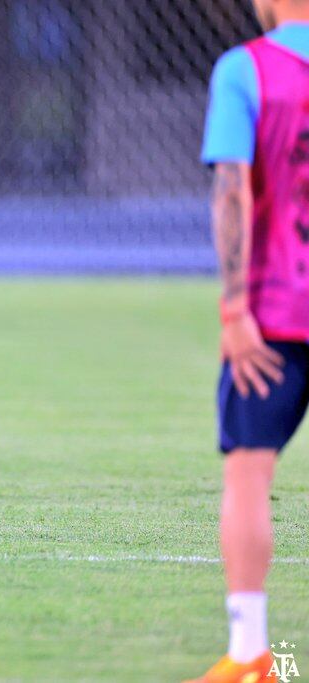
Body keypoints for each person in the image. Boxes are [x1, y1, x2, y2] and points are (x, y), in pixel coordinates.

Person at [188, 1, 309, 680]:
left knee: (249, 472)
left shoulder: (245, 71)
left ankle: (251, 654)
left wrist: (233, 308)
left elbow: (232, 189)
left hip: (274, 312)